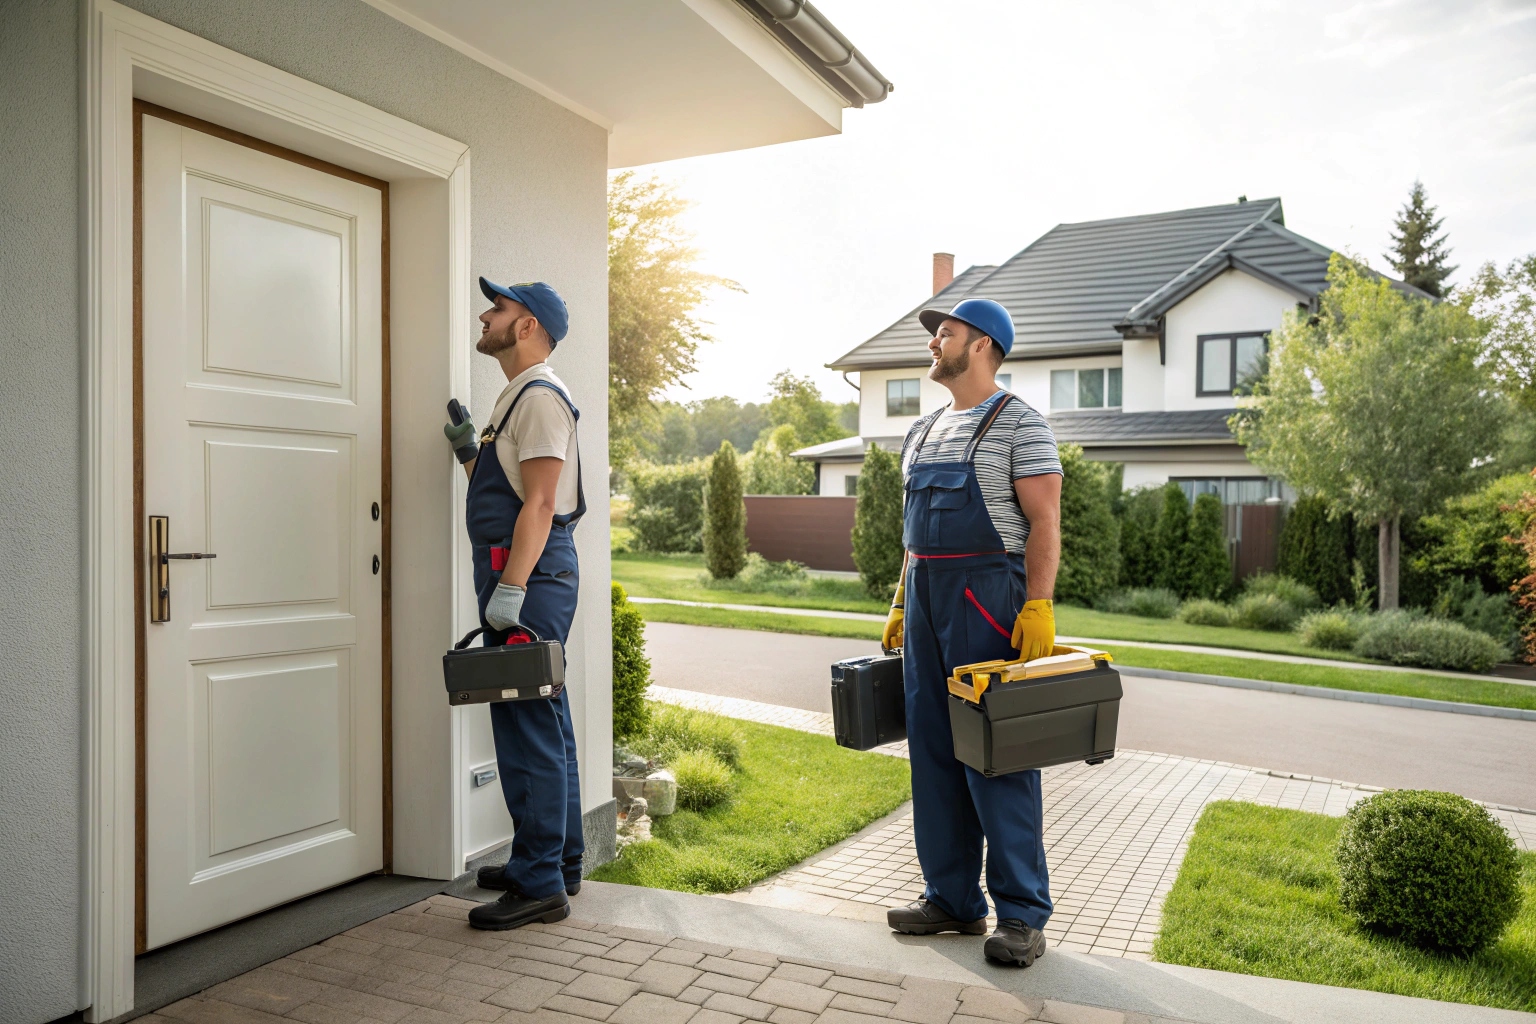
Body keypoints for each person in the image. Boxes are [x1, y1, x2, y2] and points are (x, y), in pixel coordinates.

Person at [881, 298, 1062, 966]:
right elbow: (911, 535)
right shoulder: (923, 430)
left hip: (989, 596)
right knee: (930, 746)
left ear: (982, 345)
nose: (934, 343)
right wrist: (902, 601)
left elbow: (1045, 522)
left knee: (996, 753)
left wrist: (1038, 606)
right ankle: (952, 899)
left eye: (945, 333)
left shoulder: (1022, 425)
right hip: (928, 597)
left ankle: (1020, 914)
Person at [443, 277, 587, 931]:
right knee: (544, 717)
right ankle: (558, 861)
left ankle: (539, 885)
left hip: (527, 578)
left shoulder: (540, 398)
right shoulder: (517, 399)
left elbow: (539, 501)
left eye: (497, 308)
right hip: (523, 573)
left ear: (526, 326)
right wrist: (471, 451)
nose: (485, 314)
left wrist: (512, 590)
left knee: (526, 720)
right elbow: (507, 485)